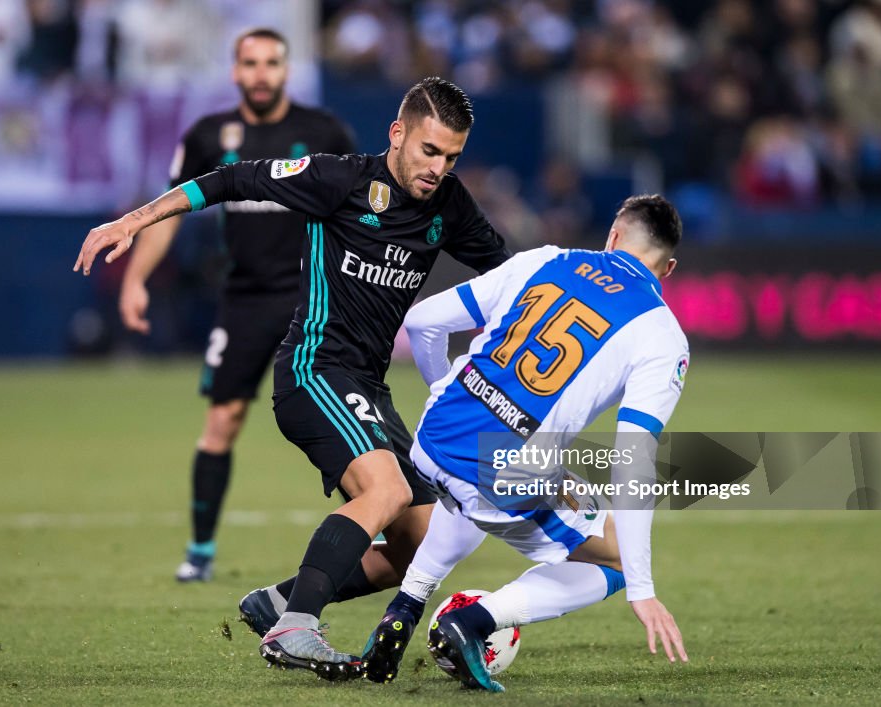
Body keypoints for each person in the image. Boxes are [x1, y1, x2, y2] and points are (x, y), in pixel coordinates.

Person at [74, 77, 512, 680]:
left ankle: (278, 601)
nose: (438, 168)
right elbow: (229, 179)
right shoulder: (339, 179)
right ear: (398, 133)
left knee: (425, 542)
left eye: (451, 157)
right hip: (314, 369)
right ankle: (294, 629)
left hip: (369, 387)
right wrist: (136, 220)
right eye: (429, 151)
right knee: (381, 492)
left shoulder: (450, 205)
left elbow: (515, 277)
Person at [360, 194, 690, 691]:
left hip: (432, 437)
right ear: (668, 268)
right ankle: (473, 622)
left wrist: (441, 391)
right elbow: (633, 461)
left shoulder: (546, 259)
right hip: (501, 471)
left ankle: (405, 606)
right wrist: (642, 590)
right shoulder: (662, 335)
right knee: (619, 559)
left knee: (490, 483)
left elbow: (424, 321)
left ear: (614, 237)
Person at [117, 28, 355, 582]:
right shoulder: (207, 136)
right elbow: (167, 213)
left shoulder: (324, 131)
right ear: (234, 72)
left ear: (286, 70)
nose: (261, 73)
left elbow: (356, 211)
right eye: (250, 63)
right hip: (244, 300)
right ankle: (199, 553)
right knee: (223, 420)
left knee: (339, 416)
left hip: (312, 299)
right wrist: (136, 279)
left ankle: (380, 520)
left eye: (272, 62)